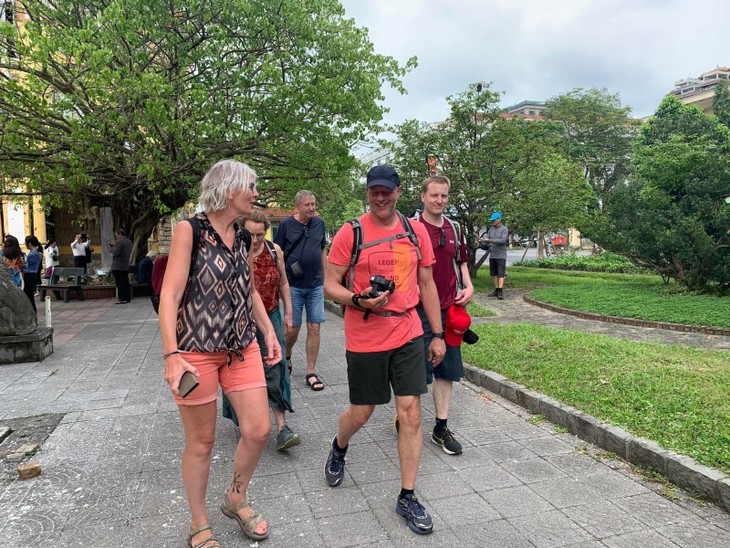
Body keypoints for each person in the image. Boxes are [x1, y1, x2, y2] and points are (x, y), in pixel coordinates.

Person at [159, 159, 281, 547]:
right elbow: (170, 295)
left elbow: (248, 290)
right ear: (229, 190)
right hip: (195, 351)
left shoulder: (244, 236)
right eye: (251, 186)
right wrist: (171, 355)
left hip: (241, 347)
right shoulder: (190, 230)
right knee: (202, 442)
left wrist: (268, 331)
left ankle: (235, 498)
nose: (256, 193)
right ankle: (199, 522)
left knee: (258, 429)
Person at [323, 165, 445, 536]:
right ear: (368, 193)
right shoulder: (351, 232)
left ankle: (407, 496)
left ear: (398, 192)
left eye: (386, 191)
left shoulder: (415, 231)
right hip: (365, 336)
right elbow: (330, 284)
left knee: (411, 414)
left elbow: (427, 284)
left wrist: (437, 334)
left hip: (408, 331)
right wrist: (358, 300)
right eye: (374, 191)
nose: (380, 198)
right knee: (362, 412)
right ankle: (339, 446)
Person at [222, 210, 299, 451]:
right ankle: (244, 421)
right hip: (239, 319)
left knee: (276, 366)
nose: (255, 240)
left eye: (259, 234)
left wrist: (289, 312)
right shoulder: (232, 251)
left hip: (271, 314)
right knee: (238, 368)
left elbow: (283, 282)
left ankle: (282, 427)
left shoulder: (274, 251)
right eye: (250, 234)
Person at [413, 175, 474, 455]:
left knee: (446, 370)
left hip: (449, 308)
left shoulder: (454, 228)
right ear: (423, 196)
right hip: (418, 310)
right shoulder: (412, 228)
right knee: (417, 371)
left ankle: (440, 427)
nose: (439, 200)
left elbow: (461, 262)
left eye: (444, 196)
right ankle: (407, 417)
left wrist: (469, 286)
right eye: (434, 195)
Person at [273, 190, 327, 391]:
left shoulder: (319, 224)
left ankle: (311, 372)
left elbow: (322, 250)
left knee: (314, 327)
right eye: (307, 205)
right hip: (293, 285)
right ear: (298, 206)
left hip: (315, 284)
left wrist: (327, 278)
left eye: (313, 204)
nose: (311, 208)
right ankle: (287, 355)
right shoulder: (286, 225)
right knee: (293, 328)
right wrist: (280, 281)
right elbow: (277, 252)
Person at [481, 212, 509, 299]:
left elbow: (502, 241)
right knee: (494, 274)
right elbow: (487, 241)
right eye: (492, 220)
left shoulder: (504, 229)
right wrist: (483, 241)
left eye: (494, 220)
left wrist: (489, 240)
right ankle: (496, 290)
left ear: (499, 219)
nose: (492, 222)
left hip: (501, 255)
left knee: (501, 274)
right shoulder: (491, 230)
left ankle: (500, 291)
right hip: (492, 254)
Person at [109, 228, 132, 304]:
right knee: (125, 282)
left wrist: (112, 248)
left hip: (118, 266)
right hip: (125, 265)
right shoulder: (129, 241)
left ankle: (122, 298)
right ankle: (127, 298)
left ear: (120, 234)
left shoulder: (119, 242)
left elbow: (116, 253)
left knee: (119, 283)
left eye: (117, 235)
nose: (116, 237)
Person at [22, 236, 43, 312]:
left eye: (26, 243)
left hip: (29, 276)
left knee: (29, 296)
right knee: (29, 296)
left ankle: (33, 312)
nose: (25, 245)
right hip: (32, 275)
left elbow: (28, 267)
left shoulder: (32, 255)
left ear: (30, 244)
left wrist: (22, 265)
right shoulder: (37, 253)